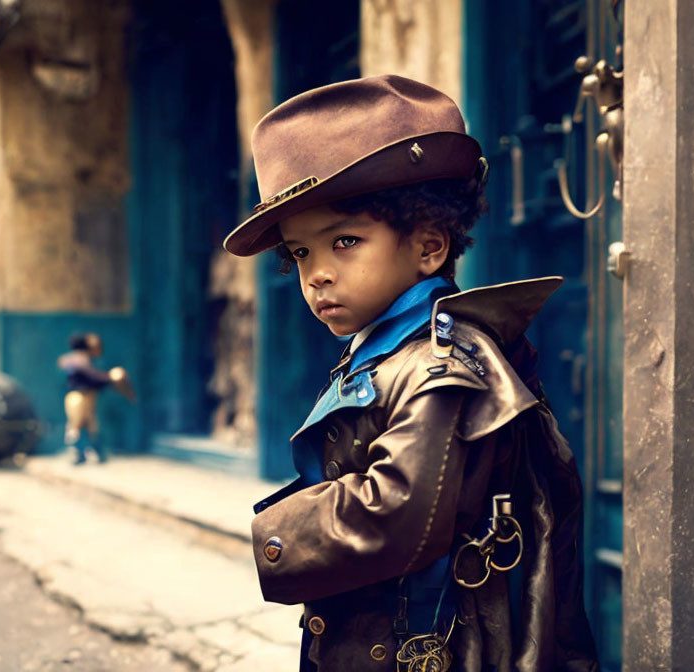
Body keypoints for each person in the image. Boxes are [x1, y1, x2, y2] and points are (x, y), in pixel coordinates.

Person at [223, 75, 598, 672]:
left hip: (429, 644)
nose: (316, 274)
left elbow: (398, 514)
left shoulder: (437, 363)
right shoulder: (383, 348)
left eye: (344, 241)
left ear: (428, 248)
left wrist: (274, 534)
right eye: (300, 253)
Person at [57, 333, 134, 465]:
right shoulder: (78, 359)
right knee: (76, 425)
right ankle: (78, 452)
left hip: (87, 397)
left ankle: (93, 452)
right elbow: (91, 376)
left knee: (91, 426)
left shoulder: (83, 359)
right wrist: (110, 377)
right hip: (79, 396)